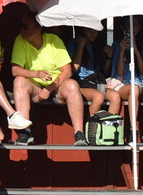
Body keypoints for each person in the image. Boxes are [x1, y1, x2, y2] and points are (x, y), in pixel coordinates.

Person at [10, 15, 86, 146]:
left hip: (57, 86)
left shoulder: (53, 40)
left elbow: (67, 70)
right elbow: (15, 70)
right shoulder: (21, 39)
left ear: (39, 28)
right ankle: (25, 132)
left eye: (26, 27)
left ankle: (79, 134)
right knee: (19, 81)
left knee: (73, 85)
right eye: (20, 26)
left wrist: (49, 89)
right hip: (35, 86)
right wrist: (36, 74)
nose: (21, 30)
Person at [105, 18, 143, 141]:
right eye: (128, 25)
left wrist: (136, 51)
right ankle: (133, 130)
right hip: (123, 83)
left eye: (134, 25)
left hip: (140, 81)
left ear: (139, 28)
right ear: (123, 28)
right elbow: (119, 72)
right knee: (134, 89)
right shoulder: (117, 44)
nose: (131, 28)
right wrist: (122, 51)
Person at [68, 26, 110, 119]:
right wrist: (80, 46)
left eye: (95, 30)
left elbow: (105, 71)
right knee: (98, 97)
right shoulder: (73, 44)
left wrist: (109, 57)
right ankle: (90, 129)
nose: (93, 33)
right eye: (89, 30)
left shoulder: (95, 46)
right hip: (81, 83)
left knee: (115, 97)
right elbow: (74, 68)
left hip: (96, 82)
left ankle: (110, 127)